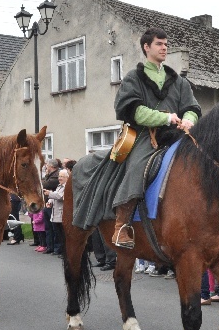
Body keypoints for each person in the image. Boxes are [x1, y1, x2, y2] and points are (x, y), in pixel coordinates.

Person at [72, 27, 201, 249]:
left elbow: (192, 107)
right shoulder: (134, 78)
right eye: (159, 44)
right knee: (137, 167)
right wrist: (165, 118)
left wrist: (189, 119)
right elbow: (133, 111)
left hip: (178, 135)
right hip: (145, 136)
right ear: (146, 47)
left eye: (166, 44)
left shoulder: (178, 81)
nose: (164, 48)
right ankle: (121, 226)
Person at [44, 169, 68, 256]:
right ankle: (58, 249)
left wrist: (49, 193)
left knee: (62, 233)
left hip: (61, 213)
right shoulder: (59, 186)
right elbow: (55, 194)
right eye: (59, 176)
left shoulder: (66, 186)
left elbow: (60, 196)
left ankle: (63, 251)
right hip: (55, 213)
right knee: (57, 233)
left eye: (62, 176)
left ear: (67, 178)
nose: (60, 178)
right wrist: (49, 201)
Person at [42, 159, 60, 253]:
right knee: (48, 227)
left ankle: (55, 247)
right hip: (47, 203)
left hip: (53, 204)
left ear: (52, 166)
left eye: (47, 165)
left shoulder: (56, 176)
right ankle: (49, 246)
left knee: (54, 228)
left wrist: (45, 176)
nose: (46, 167)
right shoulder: (50, 175)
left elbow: (44, 184)